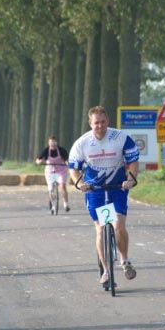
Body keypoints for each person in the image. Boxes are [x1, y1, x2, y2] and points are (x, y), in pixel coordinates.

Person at [69, 106, 139, 285]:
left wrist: (130, 179)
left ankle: (124, 261)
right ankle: (106, 271)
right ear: (90, 124)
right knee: (101, 227)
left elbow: (132, 162)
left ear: (107, 121)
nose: (99, 126)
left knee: (119, 226)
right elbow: (74, 169)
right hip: (95, 190)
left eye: (102, 122)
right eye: (96, 123)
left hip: (117, 188)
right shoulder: (82, 143)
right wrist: (79, 183)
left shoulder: (121, 138)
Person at [36, 136, 70, 213]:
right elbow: (38, 159)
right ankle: (53, 206)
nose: (53, 144)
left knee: (63, 186)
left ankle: (66, 204)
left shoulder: (61, 150)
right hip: (50, 172)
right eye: (51, 142)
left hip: (61, 171)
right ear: (49, 143)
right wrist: (39, 162)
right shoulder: (46, 150)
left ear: (56, 143)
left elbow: (66, 159)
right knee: (50, 189)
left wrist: (67, 162)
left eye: (54, 142)